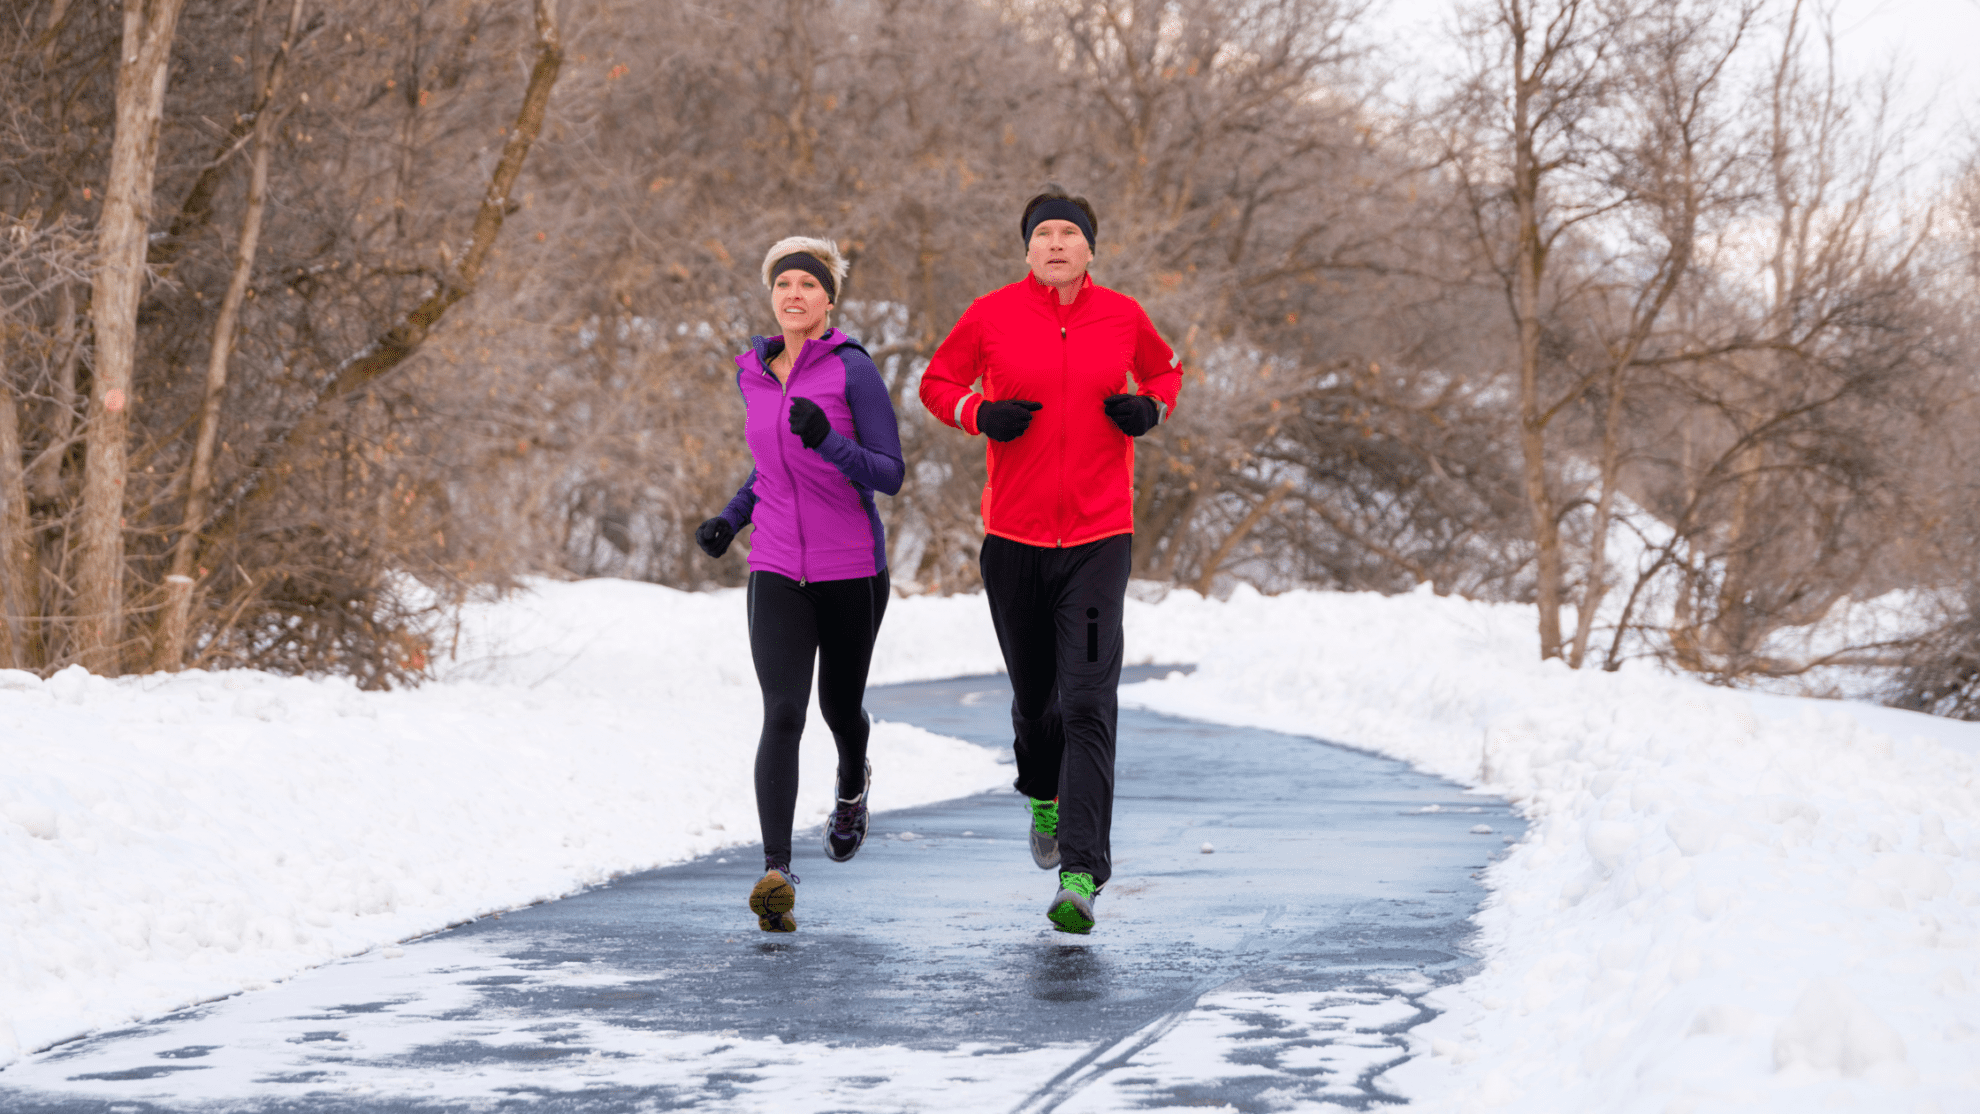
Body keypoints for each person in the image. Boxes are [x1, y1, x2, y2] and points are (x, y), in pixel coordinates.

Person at [917, 187, 1182, 934]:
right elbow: (936, 383)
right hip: (1015, 543)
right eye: (1044, 235)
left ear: (1091, 248)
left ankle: (1080, 872)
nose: (1057, 244)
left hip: (1099, 541)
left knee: (1089, 703)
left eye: (1070, 233)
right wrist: (980, 413)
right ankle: (1040, 790)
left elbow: (1166, 373)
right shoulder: (990, 315)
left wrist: (1149, 408)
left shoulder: (1124, 317)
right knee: (1037, 704)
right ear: (1027, 249)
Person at [696, 237, 904, 933]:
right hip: (777, 567)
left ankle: (851, 782)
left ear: (829, 300)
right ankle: (777, 872)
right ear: (772, 296)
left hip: (851, 568)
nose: (794, 294)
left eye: (808, 285)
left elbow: (889, 473)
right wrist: (731, 520)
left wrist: (829, 442)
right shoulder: (753, 374)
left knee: (839, 709)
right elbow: (770, 471)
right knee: (783, 712)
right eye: (784, 283)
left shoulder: (852, 372)